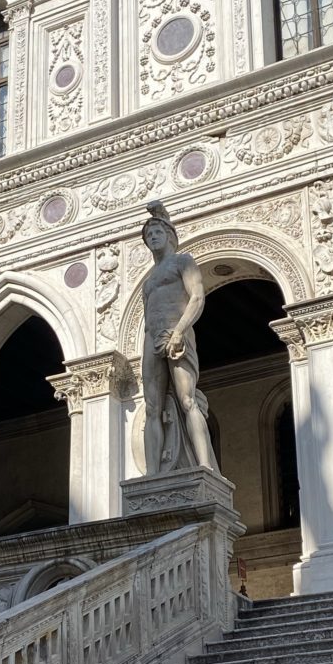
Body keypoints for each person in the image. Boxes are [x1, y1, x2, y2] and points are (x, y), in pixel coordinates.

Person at [139, 201, 218, 475]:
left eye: (157, 232)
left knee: (187, 400)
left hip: (177, 332)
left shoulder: (182, 261)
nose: (152, 238)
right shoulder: (148, 280)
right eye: (149, 235)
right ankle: (152, 474)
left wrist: (180, 331)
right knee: (152, 407)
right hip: (152, 339)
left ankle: (205, 466)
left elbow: (196, 297)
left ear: (170, 235)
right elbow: (148, 316)